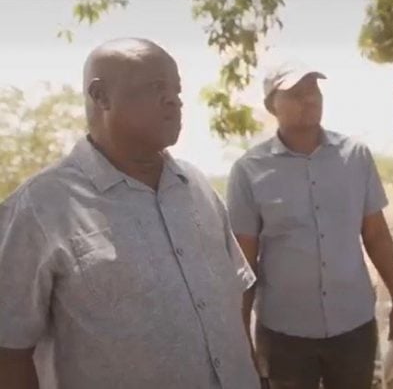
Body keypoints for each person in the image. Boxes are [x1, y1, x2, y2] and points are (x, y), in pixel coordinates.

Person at [0, 38, 261, 389]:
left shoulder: (196, 187)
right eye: (157, 87)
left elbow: (236, 295)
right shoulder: (41, 207)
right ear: (101, 95)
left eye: (177, 89)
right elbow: (9, 352)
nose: (175, 99)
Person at [226, 62, 393, 389]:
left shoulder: (354, 156)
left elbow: (376, 235)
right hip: (285, 333)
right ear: (273, 106)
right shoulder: (248, 171)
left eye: (313, 91)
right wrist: (241, 332)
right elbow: (243, 261)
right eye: (296, 94)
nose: (309, 100)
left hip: (353, 325)